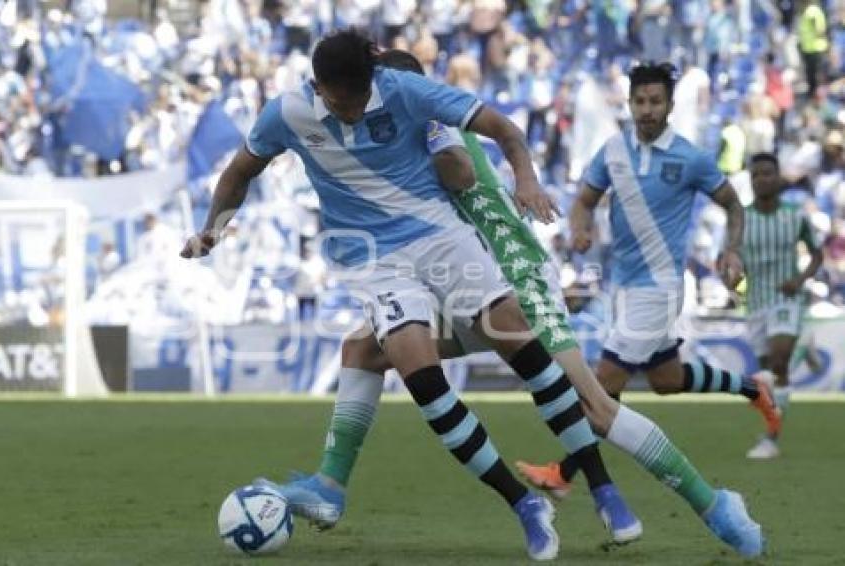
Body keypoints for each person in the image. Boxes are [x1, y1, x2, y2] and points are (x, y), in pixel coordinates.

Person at [265, 50, 765, 558]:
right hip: (460, 287)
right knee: (364, 350)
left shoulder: (435, 124)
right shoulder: (391, 139)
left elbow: (460, 173)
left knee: (595, 407)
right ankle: (330, 486)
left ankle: (717, 506)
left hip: (517, 280)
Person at [181, 28, 625, 561]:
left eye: (356, 100)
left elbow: (503, 128)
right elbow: (238, 173)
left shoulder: (405, 90)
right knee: (423, 381)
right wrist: (213, 228)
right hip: (376, 262)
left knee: (525, 350)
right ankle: (523, 505)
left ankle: (603, 488)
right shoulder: (288, 112)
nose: (349, 113)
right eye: (338, 102)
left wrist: (526, 177)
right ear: (319, 87)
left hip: (442, 238)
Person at [516, 63, 778, 504]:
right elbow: (583, 202)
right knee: (666, 379)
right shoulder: (613, 151)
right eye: (640, 101)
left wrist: (731, 250)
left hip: (659, 289)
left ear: (670, 106)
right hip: (624, 286)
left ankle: (564, 472)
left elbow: (734, 206)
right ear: (631, 103)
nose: (647, 110)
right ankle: (752, 388)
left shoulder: (691, 157)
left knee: (601, 385)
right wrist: (582, 229)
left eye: (656, 101)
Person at [742, 152, 823, 459]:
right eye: (755, 175)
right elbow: (729, 261)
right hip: (755, 303)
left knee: (778, 364)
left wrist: (799, 280)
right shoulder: (741, 218)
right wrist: (734, 284)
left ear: (778, 178)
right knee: (768, 378)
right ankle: (804, 346)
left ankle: (771, 438)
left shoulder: (795, 215)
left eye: (767, 173)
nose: (761, 179)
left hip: (786, 298)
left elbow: (817, 254)